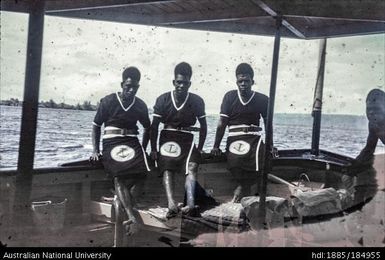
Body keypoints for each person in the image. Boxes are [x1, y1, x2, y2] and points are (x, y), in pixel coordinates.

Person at [90, 67, 151, 234]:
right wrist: (95, 150)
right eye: (128, 86)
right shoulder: (108, 101)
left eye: (135, 87)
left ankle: (120, 201)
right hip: (111, 141)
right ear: (122, 84)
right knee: (119, 177)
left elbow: (148, 128)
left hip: (132, 141)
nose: (131, 90)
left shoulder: (140, 105)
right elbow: (96, 126)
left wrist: (144, 149)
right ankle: (131, 216)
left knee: (143, 174)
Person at [150, 62, 207, 218]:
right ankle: (171, 203)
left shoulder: (197, 101)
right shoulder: (163, 99)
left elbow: (203, 126)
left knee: (193, 166)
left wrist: (201, 148)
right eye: (178, 82)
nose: (181, 86)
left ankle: (190, 203)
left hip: (187, 139)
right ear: (173, 82)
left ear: (190, 83)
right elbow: (154, 127)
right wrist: (153, 149)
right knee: (168, 167)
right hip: (168, 137)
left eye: (185, 83)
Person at [211, 63, 268, 203]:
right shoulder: (229, 97)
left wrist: (271, 145)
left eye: (246, 81)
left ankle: (241, 192)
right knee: (235, 163)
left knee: (263, 161)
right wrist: (216, 146)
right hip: (235, 138)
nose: (243, 84)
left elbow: (268, 125)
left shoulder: (262, 99)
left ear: (252, 82)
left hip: (254, 138)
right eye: (240, 81)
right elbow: (222, 124)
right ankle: (243, 192)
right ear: (236, 81)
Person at [355, 88, 385, 164]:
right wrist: (352, 168)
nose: (371, 112)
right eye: (368, 109)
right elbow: (369, 150)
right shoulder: (373, 124)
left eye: (376, 109)